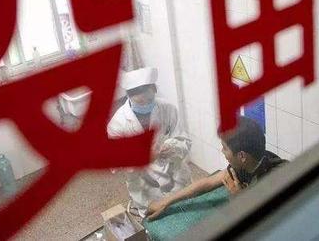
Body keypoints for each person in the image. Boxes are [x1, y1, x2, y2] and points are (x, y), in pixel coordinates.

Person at [146, 116, 286, 220]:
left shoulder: (275, 180)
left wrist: (239, 199)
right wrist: (165, 202)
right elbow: (208, 183)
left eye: (225, 148)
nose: (222, 151)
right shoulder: (248, 163)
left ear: (242, 155)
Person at [107, 67, 192, 217]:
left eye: (150, 99)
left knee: (187, 214)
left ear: (155, 91)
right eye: (140, 101)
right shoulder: (117, 124)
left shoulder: (168, 109)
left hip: (176, 177)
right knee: (157, 220)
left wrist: (171, 146)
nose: (146, 104)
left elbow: (185, 141)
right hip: (145, 187)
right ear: (129, 97)